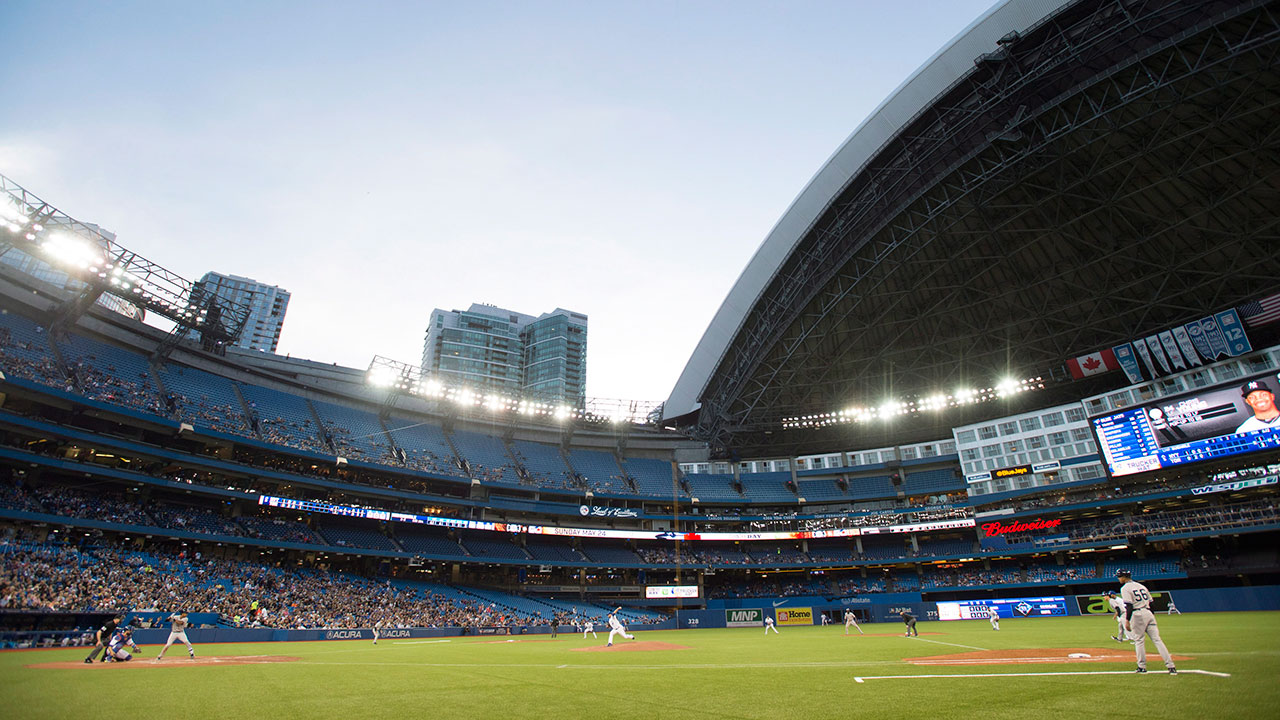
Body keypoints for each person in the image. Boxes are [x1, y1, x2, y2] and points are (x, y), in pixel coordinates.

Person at [1117, 570, 1176, 674]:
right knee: (1157, 640)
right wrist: (1151, 615)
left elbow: (1129, 606)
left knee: (1139, 641)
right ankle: (1171, 666)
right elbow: (1152, 603)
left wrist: (1127, 620)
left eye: (1119, 576)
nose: (1118, 578)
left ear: (1124, 577)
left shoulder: (1125, 588)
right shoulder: (1142, 586)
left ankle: (1142, 666)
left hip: (1137, 613)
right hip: (1148, 612)